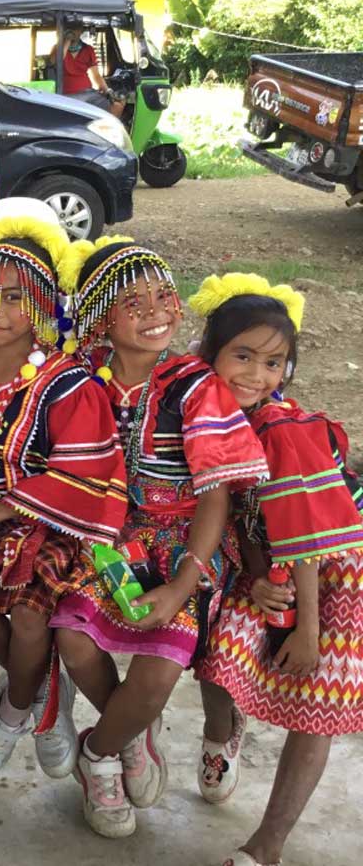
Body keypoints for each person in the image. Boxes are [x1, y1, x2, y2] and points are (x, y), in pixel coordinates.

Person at [48, 238, 269, 839]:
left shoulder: (193, 385)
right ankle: (132, 731)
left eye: (162, 296)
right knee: (71, 634)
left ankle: (99, 752)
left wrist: (180, 587)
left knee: (160, 662)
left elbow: (217, 494)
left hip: (187, 545)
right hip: (109, 540)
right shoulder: (79, 382)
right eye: (132, 301)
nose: (155, 311)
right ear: (97, 315)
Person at [0, 216, 128, 782]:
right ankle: (44, 691)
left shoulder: (65, 380)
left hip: (47, 525)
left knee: (27, 617)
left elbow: (85, 469)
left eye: (13, 297)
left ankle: (19, 710)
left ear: (43, 303)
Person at [188, 275, 363, 866]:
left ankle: (267, 847)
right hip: (265, 562)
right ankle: (222, 731)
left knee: (319, 706)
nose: (256, 375)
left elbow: (306, 534)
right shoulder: (201, 414)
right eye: (242, 355)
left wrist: (309, 626)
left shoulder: (284, 432)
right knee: (216, 662)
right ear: (208, 350)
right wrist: (257, 575)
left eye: (273, 362)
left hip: (330, 575)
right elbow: (243, 512)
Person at [57, 27, 124, 118]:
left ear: (81, 31)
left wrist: (107, 90)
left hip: (88, 93)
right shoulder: (58, 49)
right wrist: (67, 40)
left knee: (117, 106)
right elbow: (57, 61)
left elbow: (96, 75)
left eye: (76, 29)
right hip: (67, 95)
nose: (73, 32)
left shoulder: (88, 49)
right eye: (70, 28)